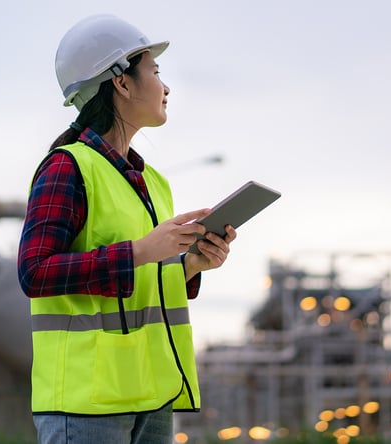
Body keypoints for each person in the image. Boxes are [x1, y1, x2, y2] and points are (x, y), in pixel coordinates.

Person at [17, 14, 236, 444]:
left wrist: (192, 264)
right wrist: (140, 250)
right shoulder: (68, 166)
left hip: (152, 396)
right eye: (155, 70)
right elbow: (35, 272)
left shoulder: (153, 182)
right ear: (121, 82)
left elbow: (144, 283)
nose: (166, 86)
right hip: (86, 405)